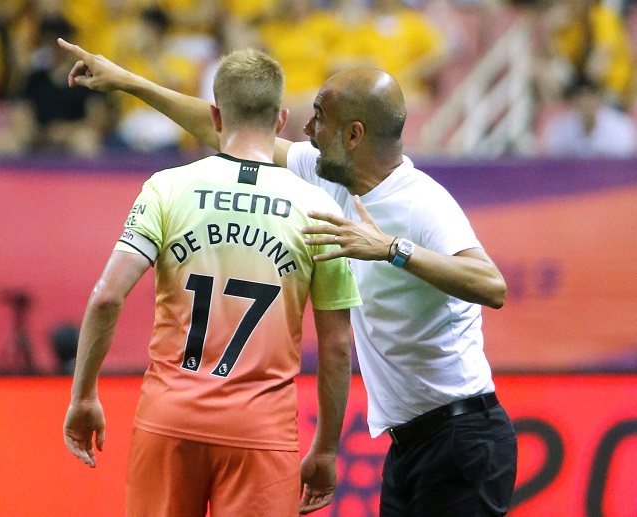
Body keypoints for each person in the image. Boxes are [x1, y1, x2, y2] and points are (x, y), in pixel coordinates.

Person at [58, 38, 518, 516]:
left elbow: (491, 286)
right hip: (409, 443)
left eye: (320, 116)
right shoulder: (323, 179)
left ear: (354, 134)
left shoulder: (423, 202)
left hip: (463, 436)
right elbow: (230, 127)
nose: (307, 127)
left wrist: (390, 249)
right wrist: (127, 82)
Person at [61, 44, 362, 517]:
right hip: (261, 434)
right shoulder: (321, 210)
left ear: (216, 115)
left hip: (168, 420)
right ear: (281, 119)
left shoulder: (165, 187)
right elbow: (338, 345)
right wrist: (325, 451)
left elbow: (105, 298)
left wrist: (83, 395)